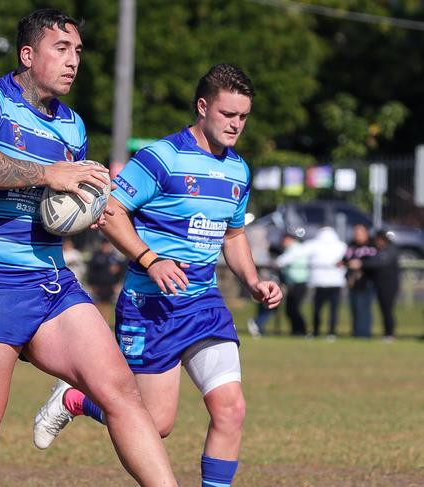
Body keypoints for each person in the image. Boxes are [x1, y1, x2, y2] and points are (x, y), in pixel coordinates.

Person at [0, 9, 177, 487]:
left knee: (121, 390)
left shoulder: (73, 126)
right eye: (61, 50)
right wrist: (49, 174)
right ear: (28, 55)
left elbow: (62, 206)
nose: (73, 61)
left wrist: (93, 200)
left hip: (49, 279)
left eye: (78, 51)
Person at [33, 64, 283, 487]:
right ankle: (74, 398)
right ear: (203, 107)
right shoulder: (161, 157)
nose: (236, 125)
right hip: (152, 307)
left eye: (243, 117)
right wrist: (151, 260)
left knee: (231, 409)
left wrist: (253, 282)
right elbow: (108, 212)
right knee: (156, 424)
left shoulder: (238, 170)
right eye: (228, 115)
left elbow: (234, 234)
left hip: (204, 305)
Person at [351, 230, 400, 340]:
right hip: (379, 284)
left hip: (389, 285)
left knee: (387, 310)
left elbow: (379, 262)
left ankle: (389, 334)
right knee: (383, 310)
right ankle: (387, 333)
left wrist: (361, 263)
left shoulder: (391, 250)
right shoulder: (379, 250)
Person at [301, 226, 347, 339]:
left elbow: (297, 253)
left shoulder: (314, 245)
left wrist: (280, 261)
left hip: (320, 283)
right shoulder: (341, 246)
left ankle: (316, 332)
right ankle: (331, 333)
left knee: (317, 309)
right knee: (333, 310)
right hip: (335, 283)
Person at [343, 224, 377, 338]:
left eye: (360, 233)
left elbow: (375, 262)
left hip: (366, 283)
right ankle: (356, 332)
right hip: (353, 283)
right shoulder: (351, 246)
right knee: (355, 309)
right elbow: (345, 259)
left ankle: (364, 333)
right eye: (356, 233)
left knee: (364, 309)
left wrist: (360, 264)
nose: (357, 235)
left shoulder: (372, 246)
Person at [275, 232, 309, 336]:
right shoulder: (294, 248)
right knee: (290, 309)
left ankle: (301, 331)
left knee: (294, 309)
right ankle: (296, 331)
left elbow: (281, 261)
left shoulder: (295, 249)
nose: (283, 242)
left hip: (299, 283)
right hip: (294, 283)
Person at [86, 238, 125, 305]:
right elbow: (91, 271)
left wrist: (117, 282)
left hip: (110, 285)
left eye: (107, 245)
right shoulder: (96, 256)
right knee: (98, 304)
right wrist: (91, 284)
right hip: (98, 285)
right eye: (104, 245)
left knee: (107, 304)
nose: (106, 247)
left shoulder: (114, 256)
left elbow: (120, 270)